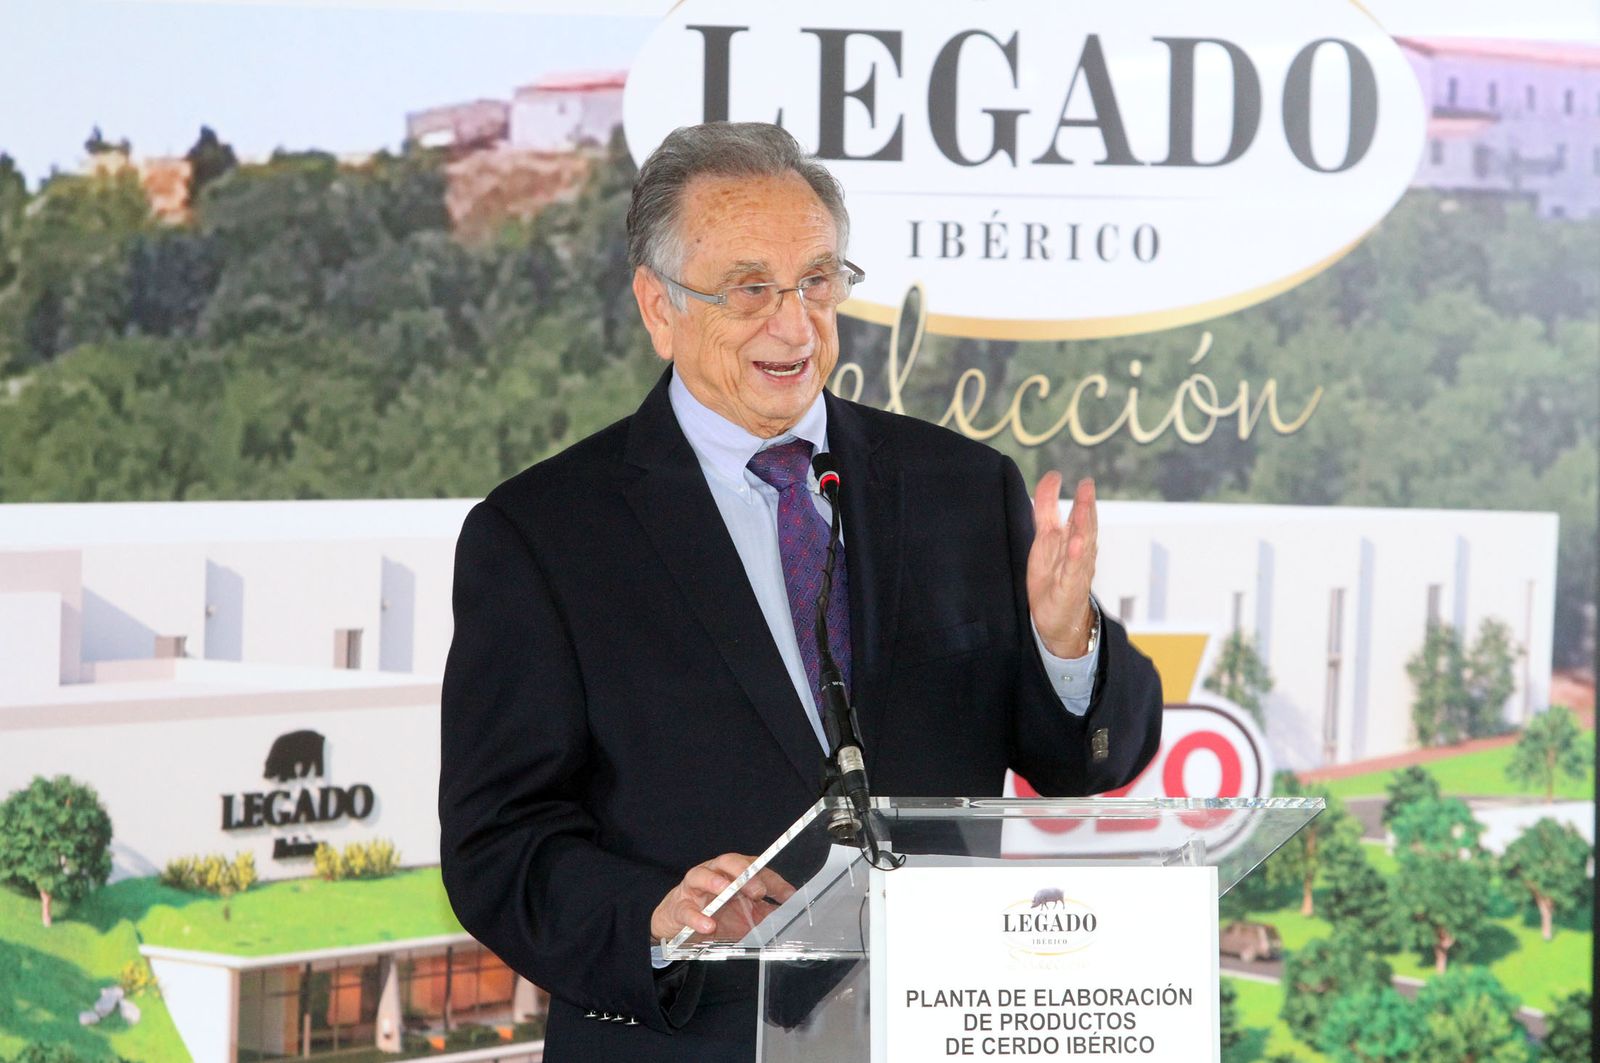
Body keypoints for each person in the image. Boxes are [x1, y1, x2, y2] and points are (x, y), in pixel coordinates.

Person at [438, 121, 1162, 1062]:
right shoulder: (543, 535)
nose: (793, 324)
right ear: (659, 306)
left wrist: (1069, 651)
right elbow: (498, 845)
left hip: (940, 1032)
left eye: (817, 282)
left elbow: (1087, 761)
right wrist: (654, 912)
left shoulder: (962, 488)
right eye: (749, 290)